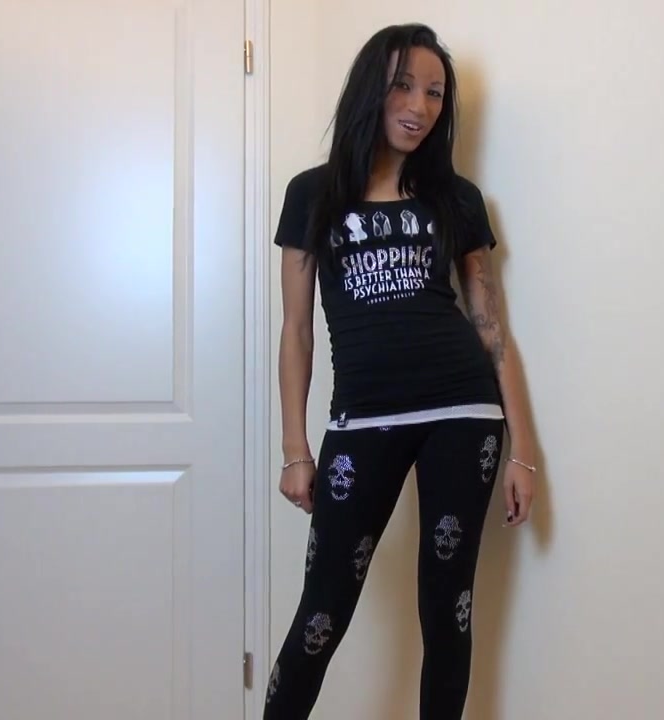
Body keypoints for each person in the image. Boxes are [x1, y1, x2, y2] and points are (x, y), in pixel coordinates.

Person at [264, 23, 540, 720]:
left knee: (448, 610)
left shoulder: (457, 199)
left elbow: (492, 330)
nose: (419, 106)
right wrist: (296, 448)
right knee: (323, 609)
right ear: (371, 90)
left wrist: (524, 453)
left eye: (435, 93)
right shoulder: (313, 194)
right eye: (403, 86)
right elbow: (296, 330)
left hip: (464, 413)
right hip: (364, 417)